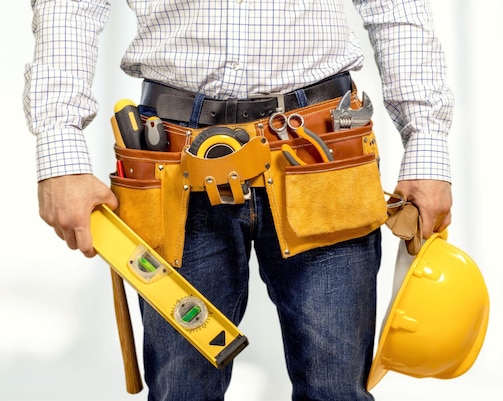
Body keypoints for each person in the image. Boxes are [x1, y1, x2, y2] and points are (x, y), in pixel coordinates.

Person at [24, 0, 453, 400]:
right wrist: (59, 148)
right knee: (181, 391)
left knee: (336, 391)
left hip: (323, 158)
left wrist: (427, 141)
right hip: (173, 163)